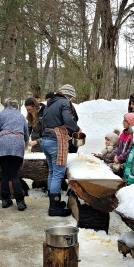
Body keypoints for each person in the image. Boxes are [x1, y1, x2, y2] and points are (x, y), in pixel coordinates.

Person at [41, 85, 80, 217]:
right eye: (71, 98)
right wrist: (77, 129)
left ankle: (55, 203)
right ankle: (54, 209)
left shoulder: (49, 104)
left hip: (46, 140)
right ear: (68, 96)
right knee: (58, 174)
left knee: (52, 172)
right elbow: (68, 120)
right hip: (55, 141)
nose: (71, 101)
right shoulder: (64, 102)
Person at [0, 99, 30, 211]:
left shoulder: (1, 114)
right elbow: (26, 134)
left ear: (5, 106)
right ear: (16, 107)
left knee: (5, 173)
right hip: (17, 144)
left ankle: (5, 200)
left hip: (2, 144)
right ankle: (20, 201)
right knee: (13, 174)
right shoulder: (21, 116)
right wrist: (25, 145)